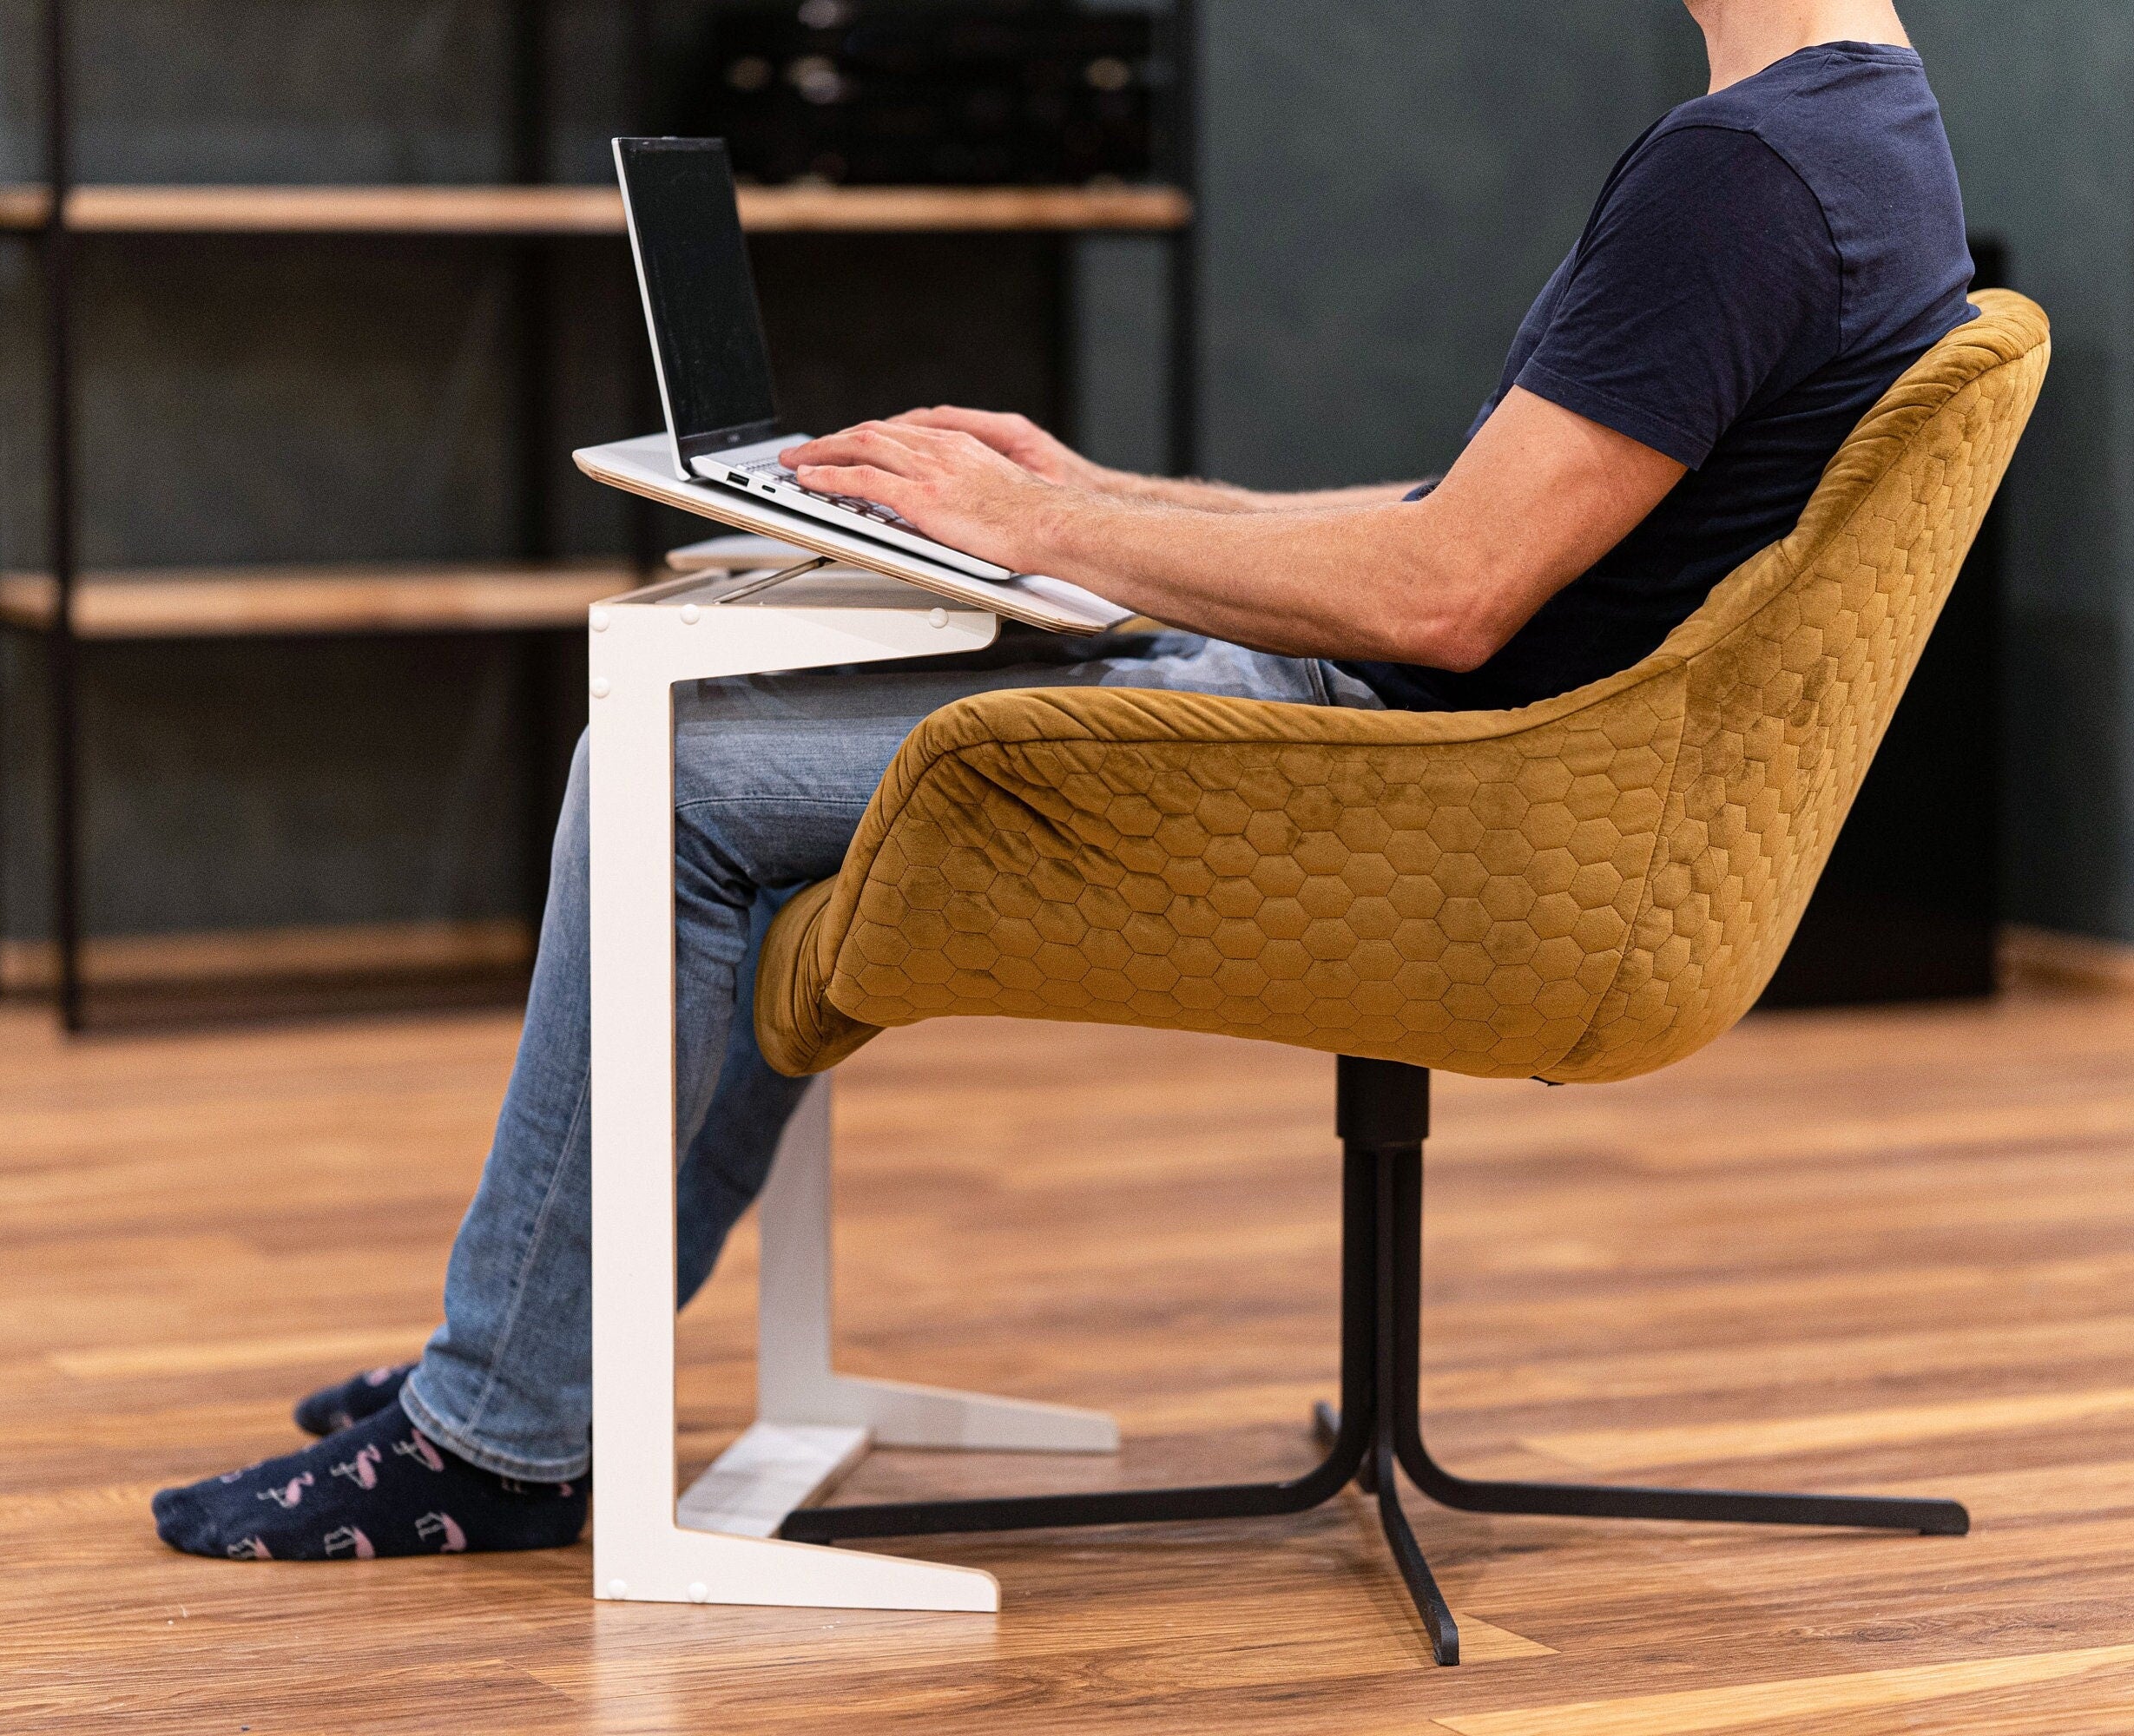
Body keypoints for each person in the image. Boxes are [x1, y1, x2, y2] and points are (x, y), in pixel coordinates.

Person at [152, 0, 1976, 1561]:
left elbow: (1447, 593)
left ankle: (495, 1437)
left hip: (1412, 790)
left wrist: (1039, 528)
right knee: (768, 788)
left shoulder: (1743, 177)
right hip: (1422, 741)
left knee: (665, 770)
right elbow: (1463, 530)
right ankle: (550, 1361)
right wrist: (1109, 503)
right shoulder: (1873, 149)